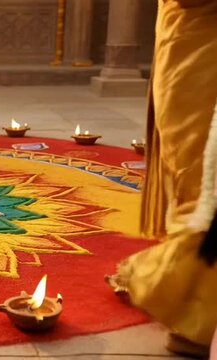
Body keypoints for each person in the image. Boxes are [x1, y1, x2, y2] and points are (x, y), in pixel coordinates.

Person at [105, 0, 217, 357]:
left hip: (201, 41)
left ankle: (196, 313)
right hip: (189, 34)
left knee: (202, 173)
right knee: (188, 161)